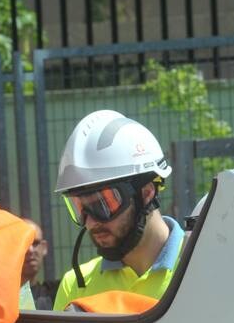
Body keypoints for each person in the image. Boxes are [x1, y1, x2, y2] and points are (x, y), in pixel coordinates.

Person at [51, 110, 183, 310]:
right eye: (80, 208)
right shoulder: (76, 286)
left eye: (104, 204)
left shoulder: (200, 269)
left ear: (146, 193)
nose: (91, 222)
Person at [21, 222, 48, 310]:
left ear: (44, 247)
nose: (30, 250)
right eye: (24, 243)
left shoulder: (57, 294)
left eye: (35, 243)